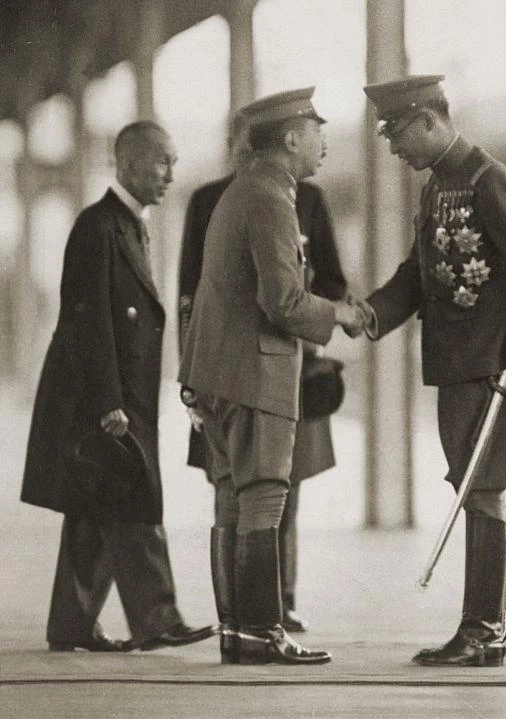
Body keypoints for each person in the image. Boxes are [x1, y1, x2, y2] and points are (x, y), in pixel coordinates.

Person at [359, 75, 506, 667]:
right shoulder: (437, 188)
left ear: (428, 120)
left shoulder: (489, 182)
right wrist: (371, 313)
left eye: (398, 134)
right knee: (473, 492)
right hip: (457, 368)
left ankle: (485, 632)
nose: (395, 149)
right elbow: (418, 276)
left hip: (490, 372)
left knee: (486, 492)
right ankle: (479, 628)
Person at [178, 87, 364, 666]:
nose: (324, 145)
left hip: (219, 371)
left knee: (233, 499)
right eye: (317, 132)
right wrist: (341, 315)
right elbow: (283, 300)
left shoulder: (240, 190)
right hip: (255, 373)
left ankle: (238, 630)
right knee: (263, 499)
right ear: (290, 138)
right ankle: (263, 632)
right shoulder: (271, 197)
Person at [20, 121, 216, 653]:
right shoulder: (98, 226)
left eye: (174, 163)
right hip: (103, 398)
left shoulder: (125, 224)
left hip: (119, 393)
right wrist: (109, 402)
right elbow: (89, 322)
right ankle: (158, 619)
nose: (171, 174)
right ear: (128, 164)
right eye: (162, 162)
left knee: (93, 509)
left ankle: (71, 625)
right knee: (134, 498)